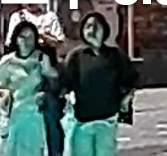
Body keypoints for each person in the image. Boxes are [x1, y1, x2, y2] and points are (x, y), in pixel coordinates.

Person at [59, 11, 137, 156]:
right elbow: (64, 84)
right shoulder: (76, 56)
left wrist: (126, 99)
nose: (92, 30)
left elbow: (131, 80)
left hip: (107, 120)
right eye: (88, 27)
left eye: (97, 26)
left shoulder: (115, 56)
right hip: (82, 121)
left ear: (104, 30)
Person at [5, 3, 64, 156]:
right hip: (24, 72)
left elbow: (59, 42)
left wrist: (42, 35)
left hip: (46, 70)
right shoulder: (17, 17)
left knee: (51, 116)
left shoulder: (49, 17)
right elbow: (9, 43)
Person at [0, 20, 58, 156]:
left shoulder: (41, 58)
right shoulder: (7, 62)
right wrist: (5, 93)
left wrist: (46, 92)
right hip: (14, 112)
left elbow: (55, 78)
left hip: (35, 113)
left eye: (30, 37)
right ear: (16, 39)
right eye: (22, 37)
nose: (26, 41)